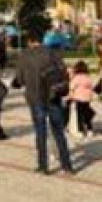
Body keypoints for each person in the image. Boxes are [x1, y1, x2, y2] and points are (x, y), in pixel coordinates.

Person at [14, 34, 73, 175]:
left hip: (36, 98)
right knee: (59, 132)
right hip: (53, 96)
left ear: (29, 40)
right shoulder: (53, 53)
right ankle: (67, 166)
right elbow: (64, 74)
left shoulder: (25, 55)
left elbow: (20, 79)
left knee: (40, 132)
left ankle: (43, 166)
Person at [68, 61, 96, 140]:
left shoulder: (76, 78)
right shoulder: (87, 77)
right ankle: (90, 129)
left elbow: (72, 87)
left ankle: (81, 130)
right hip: (87, 98)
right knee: (86, 114)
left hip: (78, 98)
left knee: (79, 115)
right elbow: (91, 86)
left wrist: (70, 96)